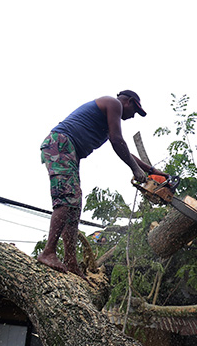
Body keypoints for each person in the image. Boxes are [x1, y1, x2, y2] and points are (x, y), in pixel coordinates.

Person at [37, 90, 156, 275]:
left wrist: (152, 170)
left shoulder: (110, 120)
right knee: (68, 197)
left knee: (74, 207)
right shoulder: (113, 104)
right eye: (135, 110)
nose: (133, 116)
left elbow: (124, 149)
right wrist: (135, 169)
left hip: (68, 150)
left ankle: (71, 262)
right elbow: (118, 141)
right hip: (60, 144)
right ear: (128, 101)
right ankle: (48, 252)